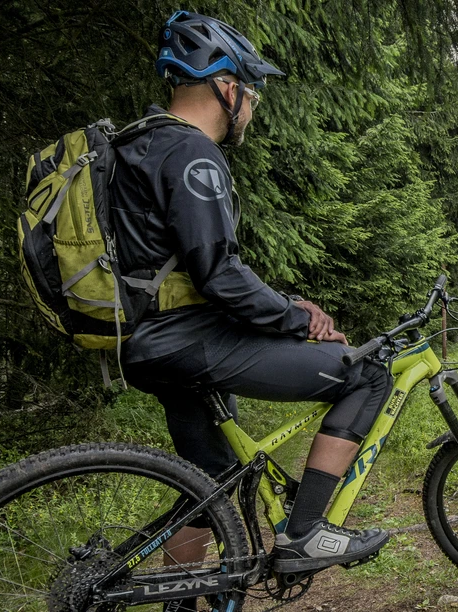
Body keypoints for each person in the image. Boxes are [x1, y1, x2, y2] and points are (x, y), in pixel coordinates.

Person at [111, 10, 391, 593]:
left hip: (148, 338)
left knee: (210, 480)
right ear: (228, 88)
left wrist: (285, 305)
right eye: (252, 95)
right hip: (183, 340)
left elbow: (188, 265)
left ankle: (177, 600)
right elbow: (218, 272)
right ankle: (307, 531)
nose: (252, 110)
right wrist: (298, 319)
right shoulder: (192, 154)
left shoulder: (138, 144)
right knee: (365, 375)